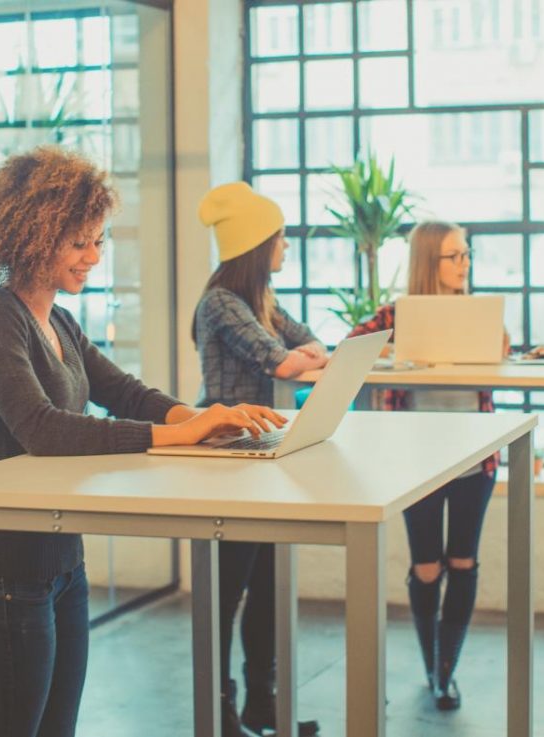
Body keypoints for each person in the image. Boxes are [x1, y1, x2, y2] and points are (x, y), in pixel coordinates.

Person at [0, 148, 285, 737]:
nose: (93, 257)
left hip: (60, 562)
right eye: (80, 242)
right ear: (35, 235)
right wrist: (182, 433)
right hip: (5, 570)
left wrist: (209, 417)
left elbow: (123, 391)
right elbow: (43, 427)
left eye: (98, 241)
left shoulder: (59, 321)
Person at [346, 221, 502, 710]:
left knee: (464, 560)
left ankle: (445, 671)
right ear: (428, 261)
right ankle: (431, 661)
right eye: (453, 256)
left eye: (466, 254)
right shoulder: (396, 314)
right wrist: (401, 351)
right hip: (416, 461)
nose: (464, 264)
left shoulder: (478, 313)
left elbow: (502, 353)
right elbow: (350, 348)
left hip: (475, 459)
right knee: (427, 565)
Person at [193, 182, 328, 737]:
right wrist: (299, 358)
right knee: (229, 589)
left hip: (261, 453)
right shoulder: (221, 302)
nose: (286, 247)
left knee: (269, 581)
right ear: (257, 244)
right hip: (225, 457)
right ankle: (220, 709)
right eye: (281, 238)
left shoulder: (260, 300)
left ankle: (261, 702)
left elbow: (310, 343)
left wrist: (304, 355)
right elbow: (279, 362)